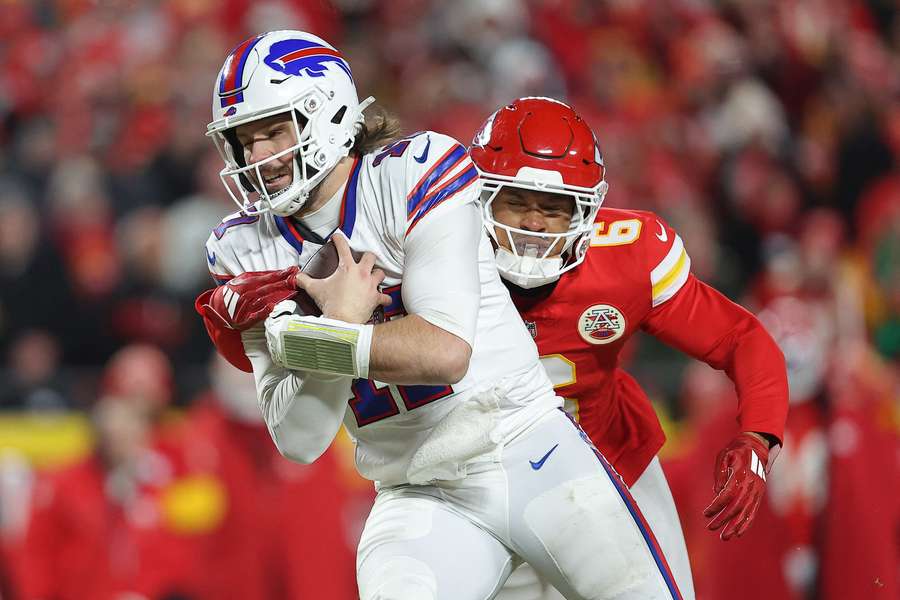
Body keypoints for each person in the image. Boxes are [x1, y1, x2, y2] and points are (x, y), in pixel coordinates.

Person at [197, 30, 685, 599]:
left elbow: (444, 351)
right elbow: (301, 438)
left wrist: (318, 336)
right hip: (415, 492)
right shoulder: (241, 247)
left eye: (273, 131)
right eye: (242, 139)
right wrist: (337, 328)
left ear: (325, 115)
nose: (258, 157)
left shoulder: (414, 170)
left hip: (528, 448)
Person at [467, 97, 790, 600]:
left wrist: (759, 438)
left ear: (586, 209)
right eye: (517, 201)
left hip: (612, 465)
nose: (533, 224)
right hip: (485, 483)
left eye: (553, 206)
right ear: (481, 197)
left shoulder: (626, 256)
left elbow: (740, 337)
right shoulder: (434, 253)